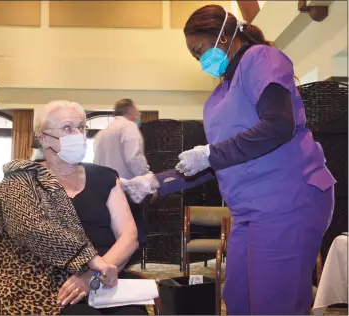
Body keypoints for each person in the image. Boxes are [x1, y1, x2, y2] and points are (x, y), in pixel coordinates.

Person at [120, 5, 336, 315]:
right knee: (237, 298)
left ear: (224, 36)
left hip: (288, 198)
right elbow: (218, 159)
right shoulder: (218, 96)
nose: (200, 61)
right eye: (195, 58)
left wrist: (209, 154)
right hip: (249, 209)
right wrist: (157, 182)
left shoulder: (261, 58)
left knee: (272, 304)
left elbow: (278, 125)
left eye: (201, 51)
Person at [0, 100, 147, 315]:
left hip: (105, 278)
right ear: (43, 138)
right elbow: (32, 228)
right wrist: (94, 263)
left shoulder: (105, 176)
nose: (77, 134)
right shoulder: (21, 179)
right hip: (43, 282)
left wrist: (92, 275)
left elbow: (129, 236)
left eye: (81, 127)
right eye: (67, 128)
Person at [93, 98, 150, 265]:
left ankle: (113, 270)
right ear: (129, 112)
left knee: (111, 238)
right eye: (138, 113)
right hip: (127, 192)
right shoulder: (128, 127)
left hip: (103, 192)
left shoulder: (102, 133)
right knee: (131, 238)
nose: (138, 117)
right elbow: (134, 159)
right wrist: (148, 183)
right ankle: (127, 271)